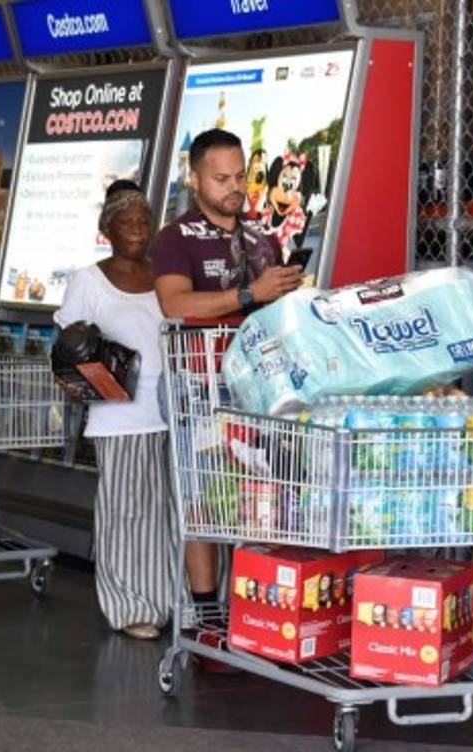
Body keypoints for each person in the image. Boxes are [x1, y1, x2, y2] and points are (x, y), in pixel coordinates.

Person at [150, 129, 303, 669]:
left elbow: (272, 311)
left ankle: (251, 613)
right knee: (202, 503)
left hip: (255, 386)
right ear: (195, 179)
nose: (235, 187)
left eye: (241, 176)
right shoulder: (176, 237)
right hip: (200, 385)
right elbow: (175, 304)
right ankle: (204, 618)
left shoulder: (263, 238)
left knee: (255, 502)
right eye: (222, 178)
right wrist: (246, 294)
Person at [54, 180, 179, 641]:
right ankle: (131, 607)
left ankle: (176, 600)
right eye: (126, 222)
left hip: (172, 411)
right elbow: (66, 351)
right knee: (127, 513)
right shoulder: (89, 280)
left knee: (172, 511)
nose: (136, 229)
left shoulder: (164, 278)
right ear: (107, 229)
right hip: (119, 415)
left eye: (144, 221)